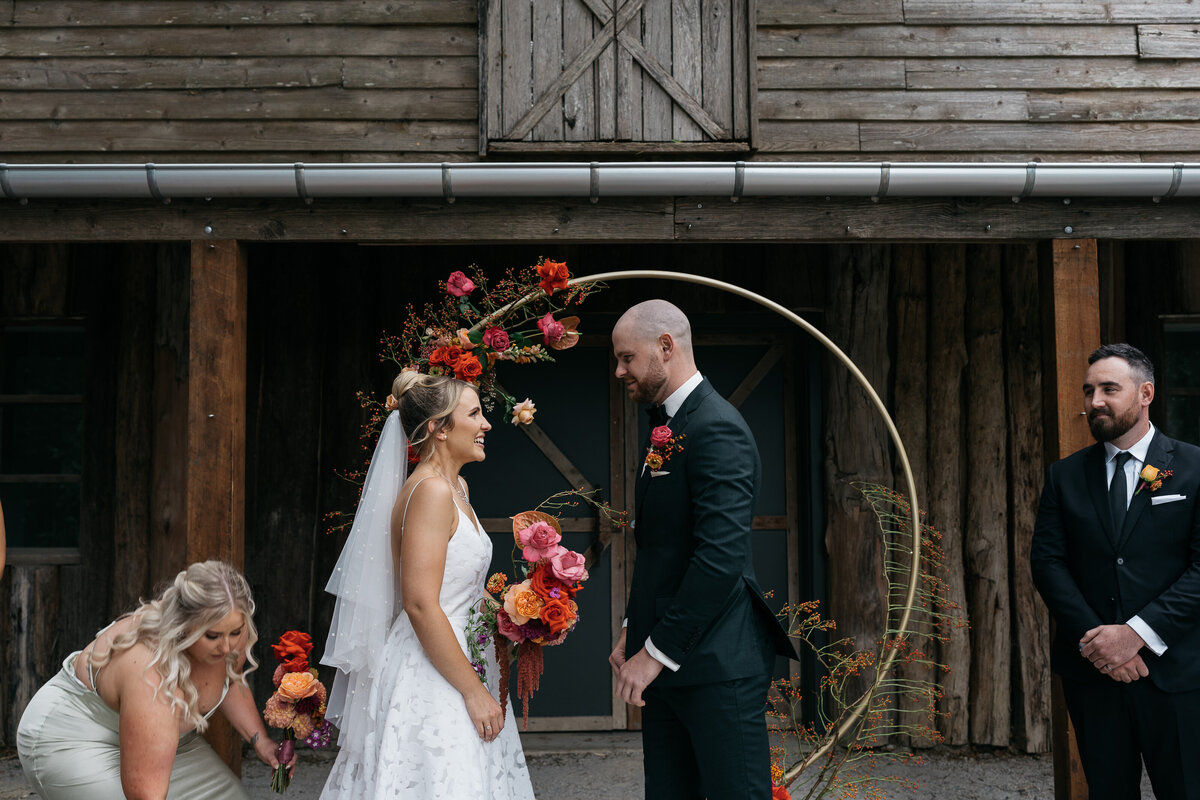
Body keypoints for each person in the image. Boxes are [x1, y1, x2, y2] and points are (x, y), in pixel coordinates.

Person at [608, 300, 799, 800]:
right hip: (670, 665)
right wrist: (634, 629)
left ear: (665, 347)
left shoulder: (718, 427)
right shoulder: (668, 425)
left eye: (627, 357)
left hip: (719, 665)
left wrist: (654, 653)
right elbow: (659, 546)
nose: (619, 369)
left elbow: (719, 559)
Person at [320, 371, 534, 800]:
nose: (486, 425)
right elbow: (420, 603)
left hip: (459, 655)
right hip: (434, 672)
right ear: (438, 428)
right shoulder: (432, 491)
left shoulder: (456, 486)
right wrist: (473, 692)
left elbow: (455, 584)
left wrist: (521, 611)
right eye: (474, 414)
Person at [1031, 343, 1200, 799]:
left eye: (1109, 388)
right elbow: (1047, 563)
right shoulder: (1064, 476)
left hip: (1177, 671)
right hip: (1094, 674)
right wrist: (1101, 642)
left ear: (1146, 393)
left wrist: (1136, 634)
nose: (1094, 402)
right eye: (1089, 391)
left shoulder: (1194, 468)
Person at [16, 560, 290, 800]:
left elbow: (228, 681)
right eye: (213, 636)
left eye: (236, 632)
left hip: (165, 742)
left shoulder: (228, 630)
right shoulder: (152, 671)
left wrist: (260, 740)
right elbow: (145, 795)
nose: (227, 647)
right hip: (76, 740)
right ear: (184, 626)